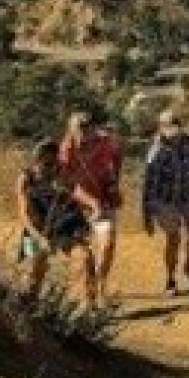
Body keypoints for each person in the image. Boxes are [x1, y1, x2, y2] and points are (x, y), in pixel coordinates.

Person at [17, 139, 97, 307]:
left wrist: (93, 204)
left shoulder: (60, 175)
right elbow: (24, 215)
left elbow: (76, 191)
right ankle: (27, 308)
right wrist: (38, 237)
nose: (51, 166)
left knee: (85, 258)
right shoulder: (25, 179)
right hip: (34, 228)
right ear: (36, 160)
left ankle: (89, 309)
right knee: (33, 270)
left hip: (63, 224)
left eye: (54, 160)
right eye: (46, 162)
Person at [58, 111, 123, 306]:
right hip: (77, 206)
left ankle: (101, 284)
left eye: (87, 126)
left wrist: (114, 183)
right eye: (79, 128)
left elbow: (118, 155)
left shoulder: (105, 141)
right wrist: (91, 203)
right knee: (85, 254)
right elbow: (66, 184)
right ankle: (90, 296)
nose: (83, 131)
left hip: (104, 200)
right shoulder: (67, 149)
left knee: (108, 243)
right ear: (71, 130)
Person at [142, 109, 189, 298]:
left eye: (175, 126)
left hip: (188, 194)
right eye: (167, 127)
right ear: (160, 129)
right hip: (164, 200)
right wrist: (147, 216)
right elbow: (148, 186)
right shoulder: (156, 151)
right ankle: (170, 279)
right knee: (174, 238)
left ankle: (188, 263)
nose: (172, 133)